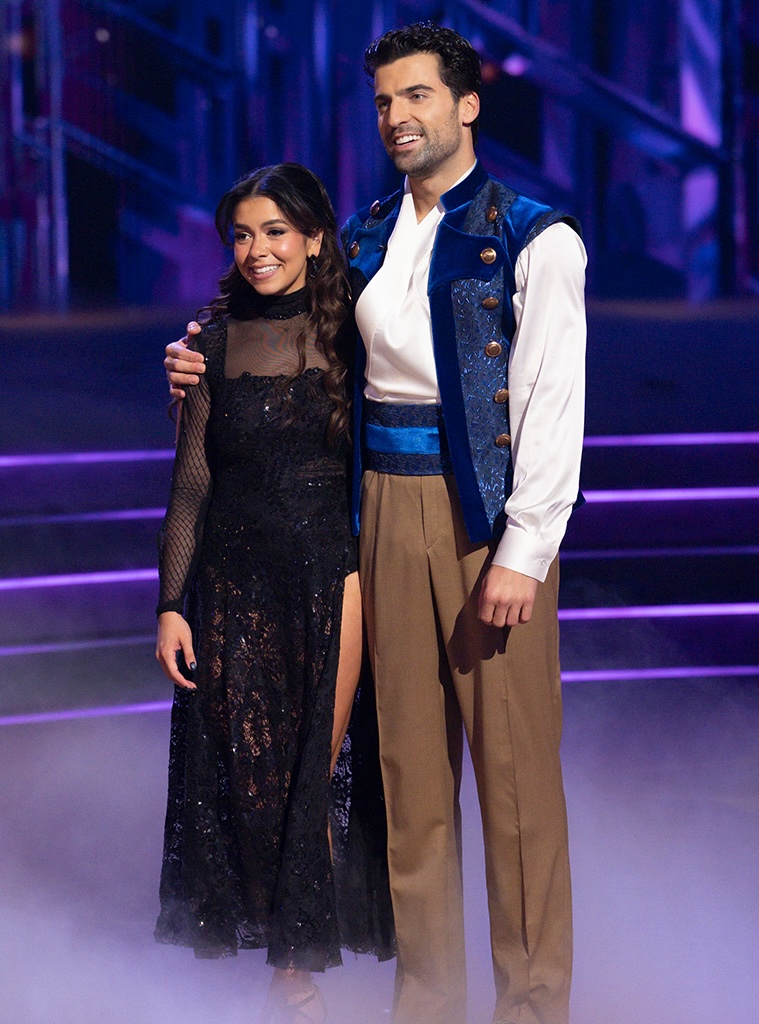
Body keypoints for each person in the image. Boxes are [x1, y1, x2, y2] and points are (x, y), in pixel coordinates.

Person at [166, 23, 586, 1024]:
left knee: (517, 784)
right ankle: (428, 1006)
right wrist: (190, 359)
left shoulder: (532, 236)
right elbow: (265, 320)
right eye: (385, 102)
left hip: (485, 518)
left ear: (466, 103)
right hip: (379, 513)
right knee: (407, 778)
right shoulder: (358, 237)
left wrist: (523, 552)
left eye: (418, 97)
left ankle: (532, 1008)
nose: (399, 116)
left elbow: (551, 406)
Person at [155, 162, 394, 1024]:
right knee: (250, 781)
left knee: (309, 774)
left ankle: (296, 972)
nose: (258, 251)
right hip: (229, 587)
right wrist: (170, 604)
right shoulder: (210, 345)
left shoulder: (357, 330)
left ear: (314, 238)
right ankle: (286, 966)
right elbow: (189, 488)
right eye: (244, 236)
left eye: (275, 233)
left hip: (335, 581)